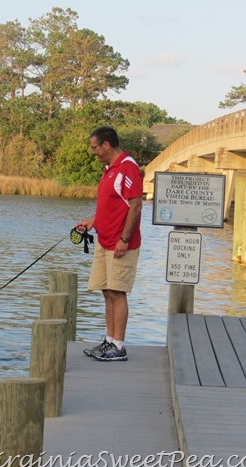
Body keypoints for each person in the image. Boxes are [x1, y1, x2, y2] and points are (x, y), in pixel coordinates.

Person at [75, 126, 143, 362]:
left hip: (121, 243)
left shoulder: (128, 168)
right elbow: (110, 207)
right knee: (107, 291)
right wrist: (91, 222)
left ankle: (119, 346)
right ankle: (109, 340)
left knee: (118, 291)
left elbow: (135, 206)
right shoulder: (109, 170)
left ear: (106, 145)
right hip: (104, 241)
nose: (93, 151)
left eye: (94, 147)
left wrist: (125, 238)